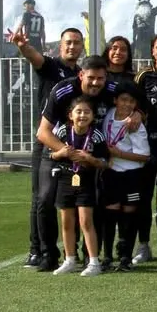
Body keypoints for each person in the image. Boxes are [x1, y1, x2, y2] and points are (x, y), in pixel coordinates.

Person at [11, 23, 84, 270]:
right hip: (48, 141)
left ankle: (71, 252)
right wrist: (24, 47)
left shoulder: (83, 74)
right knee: (41, 198)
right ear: (61, 46)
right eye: (68, 43)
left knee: (72, 199)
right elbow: (35, 58)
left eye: (76, 43)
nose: (72, 46)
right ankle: (39, 251)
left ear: (82, 47)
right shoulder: (52, 66)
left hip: (75, 143)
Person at [42, 93, 110, 276]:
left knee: (86, 222)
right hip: (65, 178)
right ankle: (70, 259)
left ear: (93, 116)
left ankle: (94, 262)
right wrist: (61, 152)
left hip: (86, 180)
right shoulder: (62, 131)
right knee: (66, 222)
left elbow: (105, 162)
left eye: (87, 112)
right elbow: (52, 155)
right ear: (70, 115)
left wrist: (90, 159)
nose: (82, 116)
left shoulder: (96, 135)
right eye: (78, 112)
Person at [99, 82, 151, 271]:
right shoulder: (108, 116)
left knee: (129, 214)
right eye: (123, 100)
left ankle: (125, 257)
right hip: (111, 173)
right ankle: (106, 257)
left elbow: (144, 157)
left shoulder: (137, 125)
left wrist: (119, 154)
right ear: (115, 100)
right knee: (110, 212)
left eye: (131, 101)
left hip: (132, 174)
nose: (127, 105)